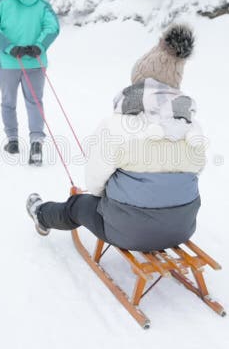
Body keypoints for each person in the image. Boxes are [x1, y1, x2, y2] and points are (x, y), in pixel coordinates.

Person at [25, 24, 206, 252]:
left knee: (78, 205)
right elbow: (195, 170)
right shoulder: (192, 126)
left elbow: (94, 183)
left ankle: (41, 215)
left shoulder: (118, 125)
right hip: (182, 227)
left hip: (129, 231)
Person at [0, 0, 60, 166]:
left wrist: (10, 48)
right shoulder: (40, 1)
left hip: (7, 63)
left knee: (8, 102)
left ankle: (13, 141)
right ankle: (36, 144)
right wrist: (38, 46)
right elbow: (52, 27)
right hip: (35, 61)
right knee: (35, 101)